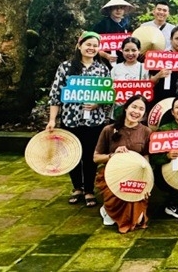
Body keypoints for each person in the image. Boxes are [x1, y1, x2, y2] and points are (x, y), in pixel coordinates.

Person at [46, 31, 111, 208]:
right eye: (88, 44)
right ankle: (77, 187)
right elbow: (55, 95)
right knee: (72, 155)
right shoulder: (66, 67)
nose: (91, 48)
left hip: (94, 122)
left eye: (95, 46)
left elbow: (109, 95)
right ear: (80, 45)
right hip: (70, 119)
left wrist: (98, 103)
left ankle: (89, 189)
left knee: (90, 156)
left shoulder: (102, 68)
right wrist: (52, 119)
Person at [93, 95, 152, 232]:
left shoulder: (146, 132)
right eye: (134, 107)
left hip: (135, 176)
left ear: (144, 114)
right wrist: (113, 155)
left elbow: (146, 158)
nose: (136, 111)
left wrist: (147, 182)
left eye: (141, 109)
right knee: (115, 214)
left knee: (138, 220)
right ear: (126, 108)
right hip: (113, 174)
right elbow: (96, 158)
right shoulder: (109, 129)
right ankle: (108, 208)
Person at [149, 26, 178, 109]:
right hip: (161, 101)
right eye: (177, 38)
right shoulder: (160, 57)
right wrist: (158, 75)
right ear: (171, 39)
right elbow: (150, 82)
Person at [110, 36, 149, 120]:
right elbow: (110, 89)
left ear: (139, 50)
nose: (130, 53)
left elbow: (148, 89)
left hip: (137, 114)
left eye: (134, 50)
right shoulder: (116, 68)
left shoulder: (144, 68)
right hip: (118, 112)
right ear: (122, 50)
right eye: (127, 50)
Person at [92, 0, 134, 64]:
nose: (118, 10)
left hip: (123, 61)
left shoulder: (127, 25)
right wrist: (106, 55)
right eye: (115, 8)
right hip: (104, 61)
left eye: (121, 8)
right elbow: (93, 44)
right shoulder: (102, 25)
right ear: (110, 9)